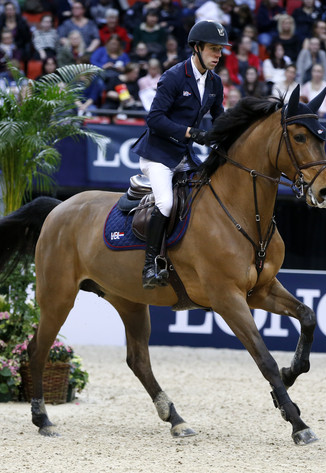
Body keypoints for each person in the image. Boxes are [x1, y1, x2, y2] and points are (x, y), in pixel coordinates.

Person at [131, 20, 228, 289]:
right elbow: (154, 119)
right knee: (165, 204)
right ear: (196, 48)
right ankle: (150, 265)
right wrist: (190, 133)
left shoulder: (214, 82)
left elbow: (220, 119)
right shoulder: (174, 76)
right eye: (213, 49)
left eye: (220, 50)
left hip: (184, 157)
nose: (218, 55)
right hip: (158, 155)